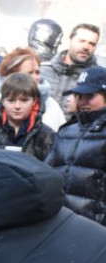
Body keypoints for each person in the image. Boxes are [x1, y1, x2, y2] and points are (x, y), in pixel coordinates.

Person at [46, 66, 106, 225]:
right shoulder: (66, 131)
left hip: (95, 227)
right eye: (80, 95)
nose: (83, 101)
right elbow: (47, 173)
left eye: (90, 95)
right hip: (59, 221)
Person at [0, 72, 55, 160]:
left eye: (24, 100)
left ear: (34, 101)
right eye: (11, 100)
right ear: (3, 101)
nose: (17, 106)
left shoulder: (47, 136)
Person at [0, 47, 66, 131]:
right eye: (29, 73)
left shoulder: (51, 103)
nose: (36, 77)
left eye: (37, 72)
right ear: (12, 75)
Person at [41, 23, 101, 120]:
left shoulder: (98, 79)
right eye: (82, 41)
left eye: (92, 44)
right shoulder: (42, 70)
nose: (86, 47)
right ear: (71, 39)